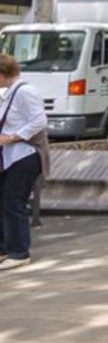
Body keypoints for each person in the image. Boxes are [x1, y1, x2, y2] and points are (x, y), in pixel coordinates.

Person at [0, 54, 45, 271]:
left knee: (13, 202)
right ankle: (5, 248)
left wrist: (12, 137)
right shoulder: (8, 94)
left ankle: (19, 252)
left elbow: (39, 120)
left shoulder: (25, 92)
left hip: (23, 155)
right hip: (10, 156)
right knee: (5, 201)